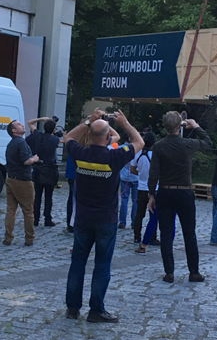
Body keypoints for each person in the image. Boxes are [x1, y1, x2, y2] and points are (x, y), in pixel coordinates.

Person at [64, 109, 142, 323]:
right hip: (106, 220)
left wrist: (89, 121)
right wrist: (124, 123)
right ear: (109, 137)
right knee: (102, 265)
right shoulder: (114, 155)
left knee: (78, 263)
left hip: (83, 218)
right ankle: (96, 310)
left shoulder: (80, 153)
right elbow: (139, 142)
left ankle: (72, 308)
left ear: (88, 136)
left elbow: (67, 138)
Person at [147, 111, 213, 283]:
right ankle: (194, 271)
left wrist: (151, 194)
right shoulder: (187, 144)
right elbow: (208, 143)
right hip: (184, 191)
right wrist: (196, 126)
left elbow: (153, 173)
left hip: (165, 190)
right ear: (180, 126)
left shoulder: (159, 146)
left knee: (166, 232)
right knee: (189, 232)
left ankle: (169, 271)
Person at [3, 120, 39, 246]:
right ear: (14, 130)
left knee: (11, 210)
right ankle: (29, 238)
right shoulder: (21, 142)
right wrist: (34, 158)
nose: (22, 125)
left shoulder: (10, 144)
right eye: (19, 125)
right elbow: (26, 161)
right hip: (23, 180)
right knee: (28, 211)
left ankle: (8, 237)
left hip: (11, 179)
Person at [28, 117, 61, 227]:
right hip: (50, 169)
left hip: (38, 168)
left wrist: (42, 118)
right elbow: (66, 138)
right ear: (54, 129)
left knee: (37, 195)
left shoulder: (38, 136)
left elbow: (30, 123)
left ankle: (35, 219)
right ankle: (47, 218)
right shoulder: (55, 140)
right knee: (48, 196)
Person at [132, 132, 157, 246]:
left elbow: (132, 169)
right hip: (154, 188)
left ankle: (137, 236)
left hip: (141, 187)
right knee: (153, 215)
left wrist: (141, 174)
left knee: (139, 214)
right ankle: (152, 237)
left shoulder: (138, 154)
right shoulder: (156, 155)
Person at [118, 146, 138, 229]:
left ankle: (122, 222)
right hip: (135, 178)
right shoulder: (137, 149)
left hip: (124, 178)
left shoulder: (121, 148)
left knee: (124, 200)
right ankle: (134, 222)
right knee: (135, 201)